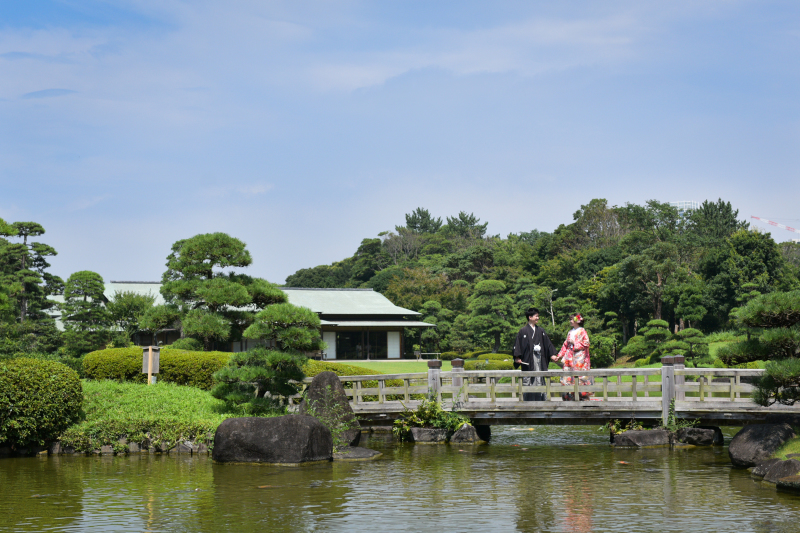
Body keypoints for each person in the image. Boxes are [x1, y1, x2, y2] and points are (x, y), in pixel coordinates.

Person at [512, 307, 557, 401]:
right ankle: (527, 400)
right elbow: (518, 344)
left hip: (539, 359)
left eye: (538, 316)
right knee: (528, 378)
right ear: (530, 317)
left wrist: (552, 354)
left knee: (539, 378)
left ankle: (541, 399)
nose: (538, 318)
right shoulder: (523, 331)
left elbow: (547, 344)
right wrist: (517, 357)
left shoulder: (541, 331)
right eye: (536, 316)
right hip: (527, 360)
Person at [551, 313, 592, 401]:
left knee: (578, 376)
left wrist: (575, 343)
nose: (570, 321)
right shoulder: (570, 332)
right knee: (567, 374)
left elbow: (586, 343)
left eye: (572, 320)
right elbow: (565, 345)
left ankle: (581, 396)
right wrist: (559, 356)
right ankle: (569, 396)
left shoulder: (582, 331)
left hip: (579, 357)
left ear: (577, 321)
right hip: (569, 357)